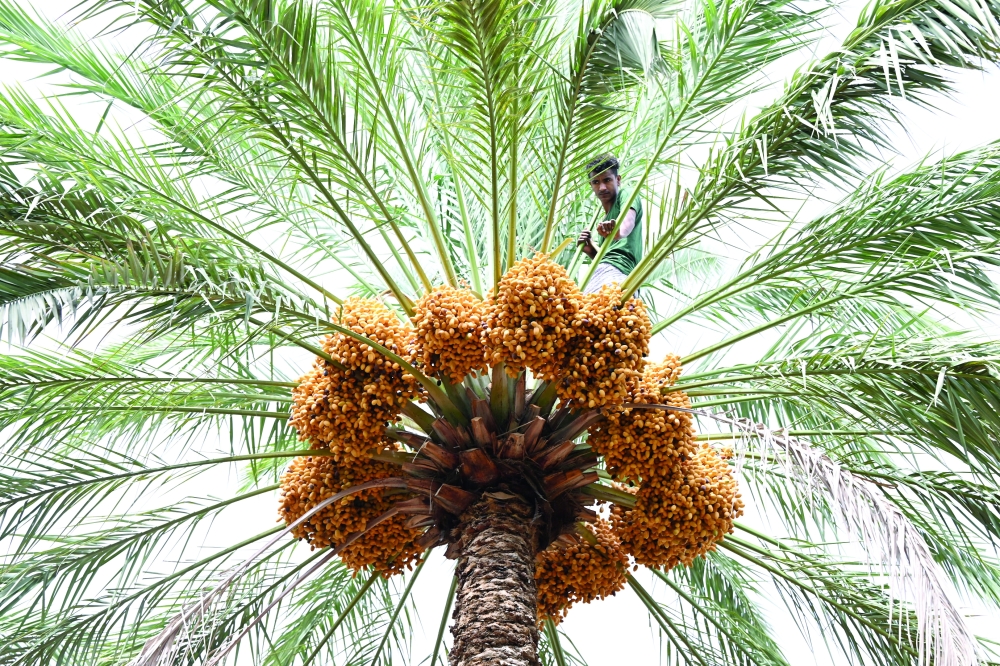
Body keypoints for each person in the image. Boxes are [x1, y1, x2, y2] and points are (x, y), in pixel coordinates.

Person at [576, 154, 644, 298]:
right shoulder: (605, 222)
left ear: (617, 180)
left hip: (619, 273)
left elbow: (628, 222)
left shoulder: (627, 193)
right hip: (604, 272)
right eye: (596, 182)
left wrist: (618, 232)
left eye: (607, 180)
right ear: (591, 185)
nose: (602, 187)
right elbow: (607, 257)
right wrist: (590, 249)